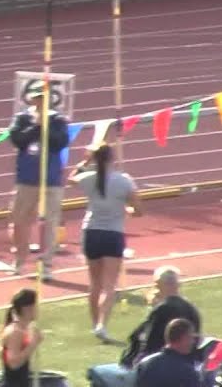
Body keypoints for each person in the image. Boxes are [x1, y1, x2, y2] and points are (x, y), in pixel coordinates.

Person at [71, 134, 141, 343]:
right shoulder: (124, 180)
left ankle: (95, 325)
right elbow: (139, 210)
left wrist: (85, 162)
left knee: (94, 284)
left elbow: (70, 179)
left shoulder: (88, 178)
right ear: (112, 158)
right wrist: (127, 209)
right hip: (113, 233)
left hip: (91, 232)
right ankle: (102, 324)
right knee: (110, 285)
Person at [7, 89, 69, 274]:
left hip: (50, 179)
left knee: (50, 222)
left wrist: (45, 126)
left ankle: (46, 263)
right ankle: (20, 259)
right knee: (20, 220)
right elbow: (17, 139)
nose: (40, 101)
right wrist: (36, 125)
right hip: (27, 178)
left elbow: (60, 142)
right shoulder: (22, 118)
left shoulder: (58, 120)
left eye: (44, 98)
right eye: (37, 98)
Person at [134, 318, 201, 387]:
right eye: (190, 337)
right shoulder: (187, 372)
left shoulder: (144, 363)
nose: (192, 342)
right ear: (183, 338)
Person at [0, 288, 42, 387]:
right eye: (36, 306)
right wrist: (33, 343)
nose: (38, 309)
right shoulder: (15, 332)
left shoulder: (22, 329)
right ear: (27, 309)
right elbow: (14, 364)